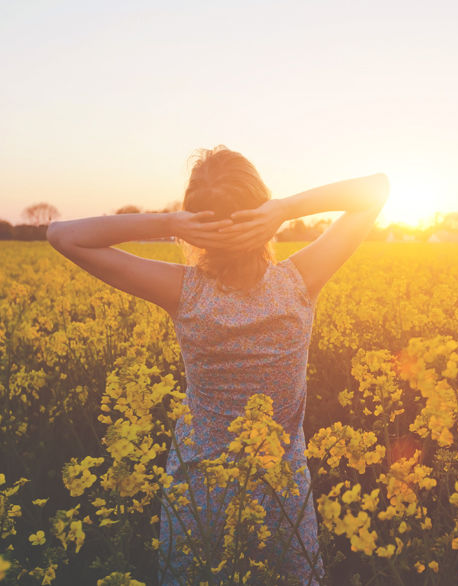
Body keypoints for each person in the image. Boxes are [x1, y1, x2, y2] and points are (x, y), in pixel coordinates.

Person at [46, 145, 389, 584]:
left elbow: (62, 235)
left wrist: (169, 222)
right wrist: (283, 208)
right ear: (262, 211)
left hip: (201, 492)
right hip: (282, 494)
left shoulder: (182, 291)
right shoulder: (300, 281)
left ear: (193, 229)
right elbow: (378, 189)